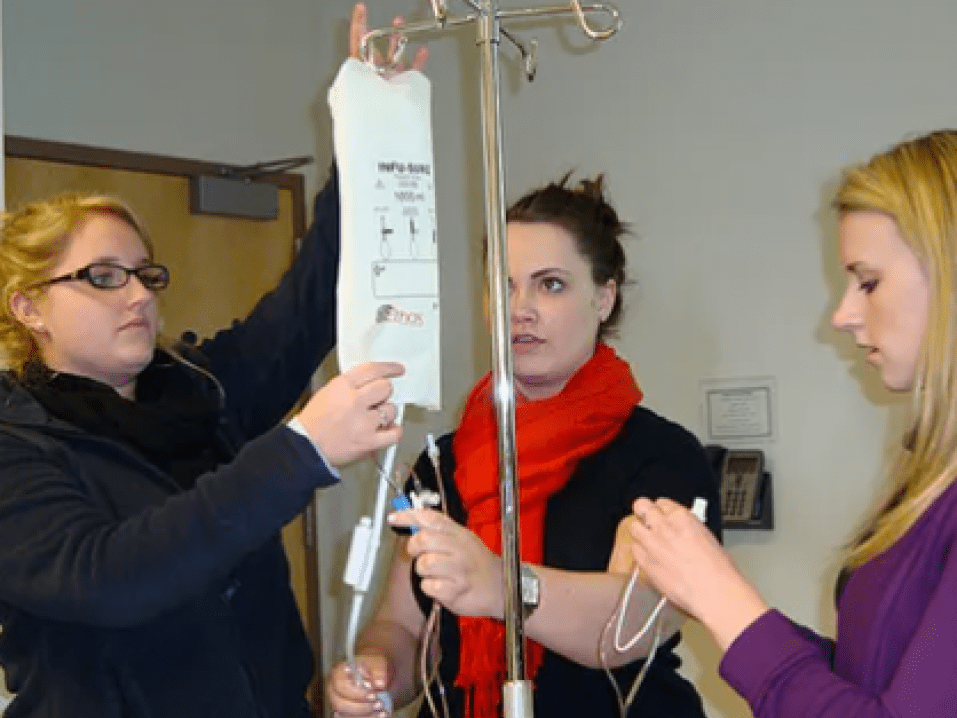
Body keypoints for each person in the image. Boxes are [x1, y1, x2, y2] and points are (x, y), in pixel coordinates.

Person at [0, 7, 426, 717]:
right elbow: (112, 578)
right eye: (102, 277)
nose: (137, 295)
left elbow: (313, 298)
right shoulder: (16, 447)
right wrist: (300, 452)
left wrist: (371, 120)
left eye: (145, 274)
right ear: (28, 308)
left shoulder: (198, 391)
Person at [327, 174, 722, 718]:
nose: (521, 308)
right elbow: (402, 625)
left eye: (550, 284)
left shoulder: (661, 458)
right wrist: (378, 672)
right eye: (503, 284)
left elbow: (632, 625)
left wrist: (502, 586)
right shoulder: (446, 462)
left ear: (604, 298)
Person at [626, 129, 957, 718]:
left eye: (870, 282)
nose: (843, 315)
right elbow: (869, 684)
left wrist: (721, 597)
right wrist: (718, 592)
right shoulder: (929, 486)